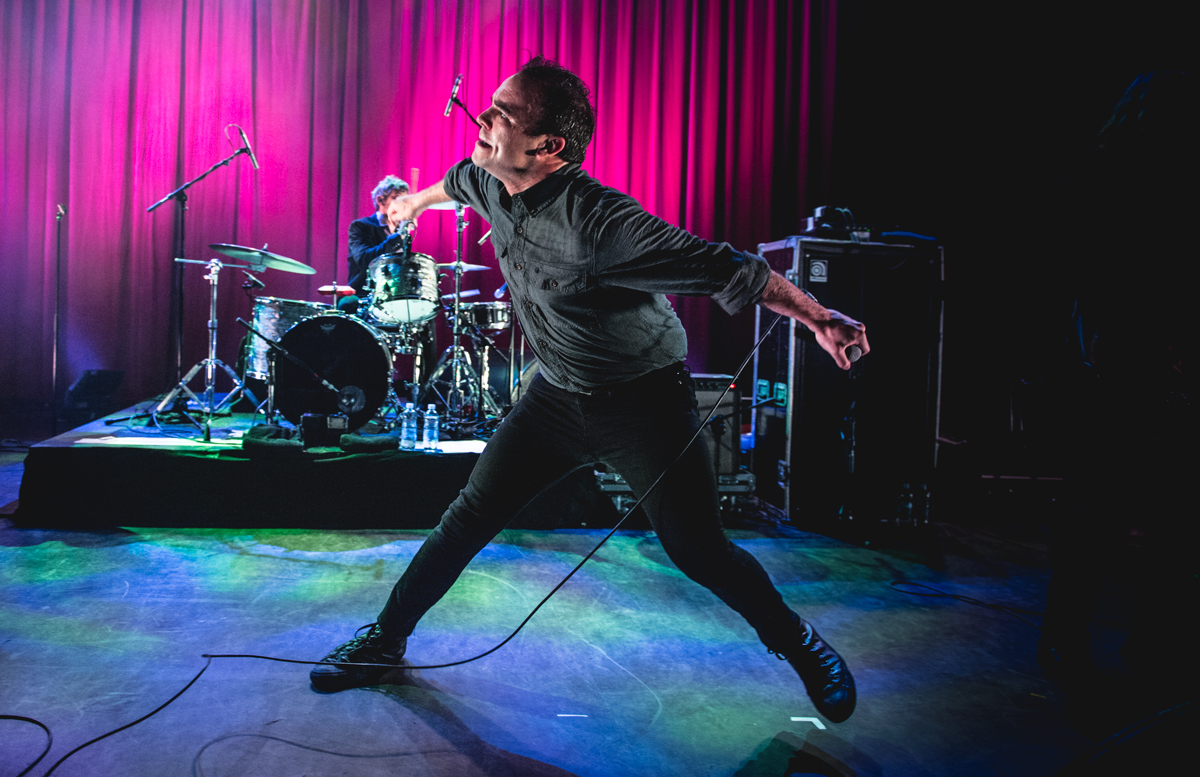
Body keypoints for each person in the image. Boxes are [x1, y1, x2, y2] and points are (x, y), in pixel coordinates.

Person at [311, 57, 870, 724]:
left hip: (641, 400)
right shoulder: (488, 176)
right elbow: (452, 184)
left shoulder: (603, 224)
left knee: (698, 549)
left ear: (549, 148)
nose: (484, 119)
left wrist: (821, 318)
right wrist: (412, 203)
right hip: (556, 395)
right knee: (468, 515)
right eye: (489, 105)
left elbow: (730, 267)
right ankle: (386, 638)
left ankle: (798, 642)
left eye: (505, 115)